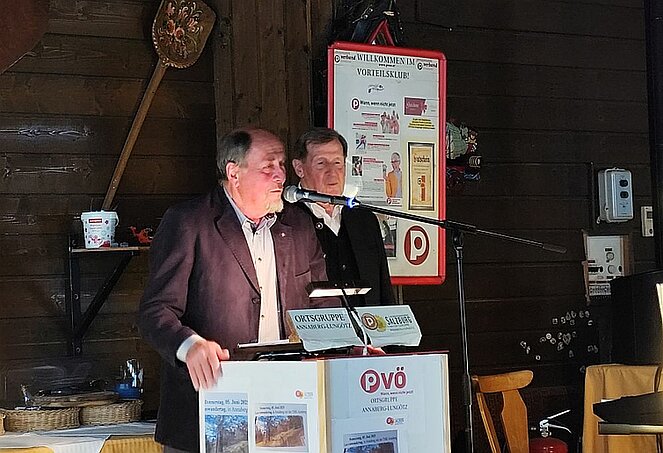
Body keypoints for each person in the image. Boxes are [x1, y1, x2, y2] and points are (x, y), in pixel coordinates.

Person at [139, 128, 333, 453]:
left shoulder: (298, 225)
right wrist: (189, 345)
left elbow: (323, 301)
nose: (280, 176)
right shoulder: (189, 222)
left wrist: (347, 344)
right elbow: (155, 311)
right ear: (234, 173)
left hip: (287, 407)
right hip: (207, 411)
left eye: (282, 165)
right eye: (268, 167)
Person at [291, 127, 396, 307]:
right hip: (312, 322)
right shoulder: (286, 221)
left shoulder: (364, 219)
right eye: (321, 163)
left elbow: (383, 287)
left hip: (365, 322)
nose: (332, 173)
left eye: (338, 163)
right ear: (299, 168)